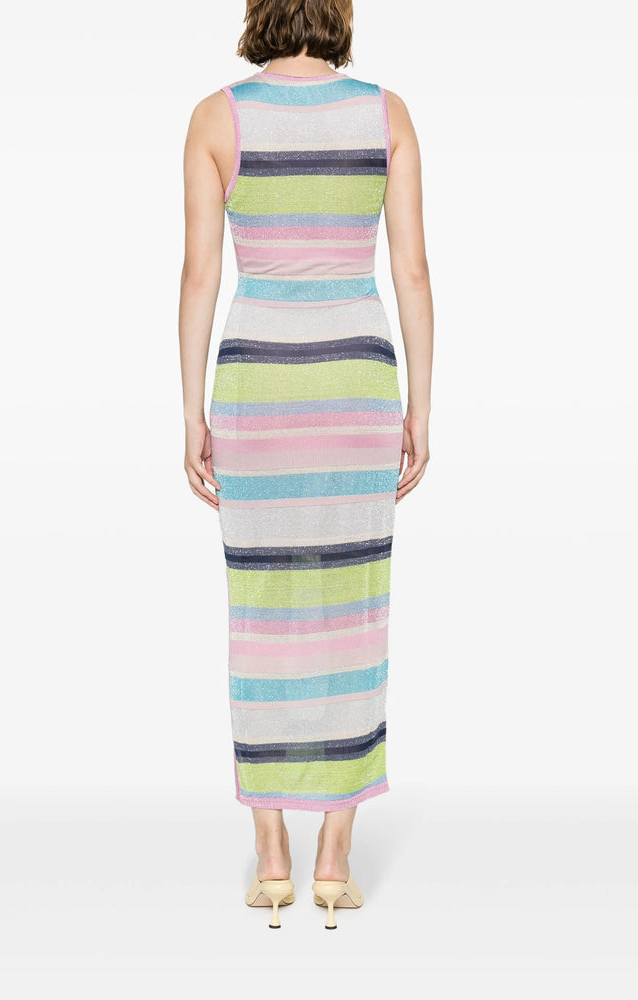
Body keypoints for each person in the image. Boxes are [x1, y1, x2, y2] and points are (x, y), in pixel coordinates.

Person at [178, 0, 433, 929]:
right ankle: (334, 857)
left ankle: (272, 855)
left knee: (264, 612)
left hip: (260, 388)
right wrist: (420, 407)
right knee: (352, 610)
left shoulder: (217, 118)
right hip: (356, 383)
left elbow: (200, 274)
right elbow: (412, 271)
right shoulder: (386, 115)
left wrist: (192, 411)